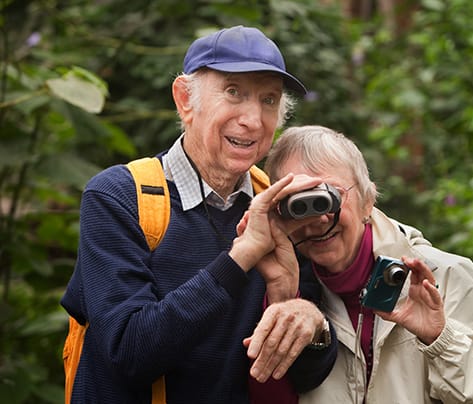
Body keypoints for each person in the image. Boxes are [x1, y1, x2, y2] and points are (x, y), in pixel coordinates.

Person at [60, 27, 337, 403]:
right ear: (184, 99)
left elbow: (305, 377)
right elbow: (128, 353)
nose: (253, 120)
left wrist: (305, 318)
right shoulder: (120, 197)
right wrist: (240, 258)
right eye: (233, 92)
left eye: (269, 100)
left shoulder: (281, 204)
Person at [263, 125, 473, 403]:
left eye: (329, 197)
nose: (318, 219)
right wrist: (281, 296)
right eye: (299, 204)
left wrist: (441, 339)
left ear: (368, 201)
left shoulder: (445, 276)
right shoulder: (289, 288)